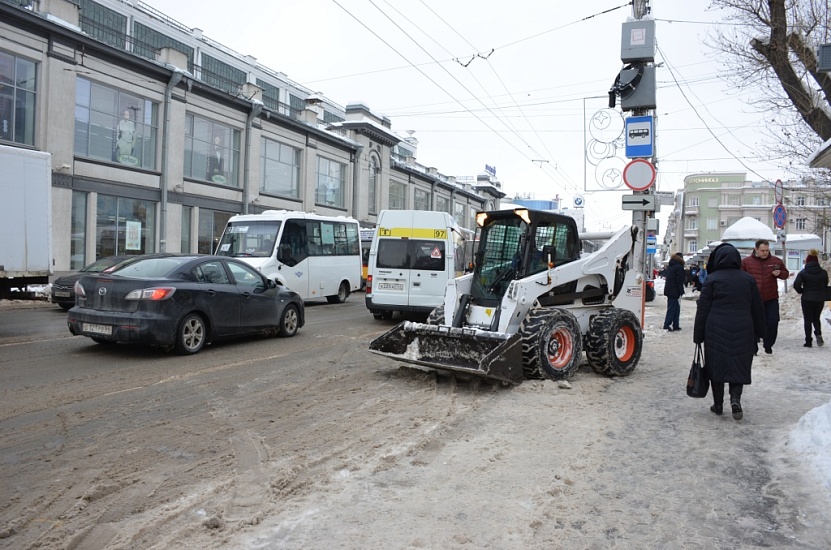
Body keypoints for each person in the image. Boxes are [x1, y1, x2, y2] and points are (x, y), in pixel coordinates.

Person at [694, 243, 765, 420]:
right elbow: (757, 307)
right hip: (743, 327)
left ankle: (718, 405)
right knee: (738, 366)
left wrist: (698, 335)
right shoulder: (747, 279)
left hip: (715, 328)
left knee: (716, 366)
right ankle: (735, 400)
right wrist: (760, 332)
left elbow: (702, 309)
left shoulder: (712, 279)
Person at [741, 239, 789, 354]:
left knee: (773, 321)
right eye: (762, 250)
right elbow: (740, 277)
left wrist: (780, 274)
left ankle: (768, 344)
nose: (765, 253)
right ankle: (753, 347)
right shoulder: (746, 262)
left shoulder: (776, 261)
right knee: (752, 323)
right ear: (756, 249)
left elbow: (785, 273)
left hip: (771, 297)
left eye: (767, 250)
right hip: (753, 299)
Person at [793, 249, 828, 347]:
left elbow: (796, 284)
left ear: (807, 261)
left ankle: (808, 341)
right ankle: (818, 333)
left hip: (807, 299)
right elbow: (825, 284)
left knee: (807, 320)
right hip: (819, 299)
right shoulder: (823, 273)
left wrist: (802, 291)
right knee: (816, 318)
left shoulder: (803, 273)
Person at [662, 252, 685, 332]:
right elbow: (679, 281)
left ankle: (675, 325)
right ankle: (667, 324)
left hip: (670, 290)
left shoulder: (671, 266)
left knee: (675, 308)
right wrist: (681, 291)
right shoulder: (679, 267)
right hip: (675, 291)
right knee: (672, 308)